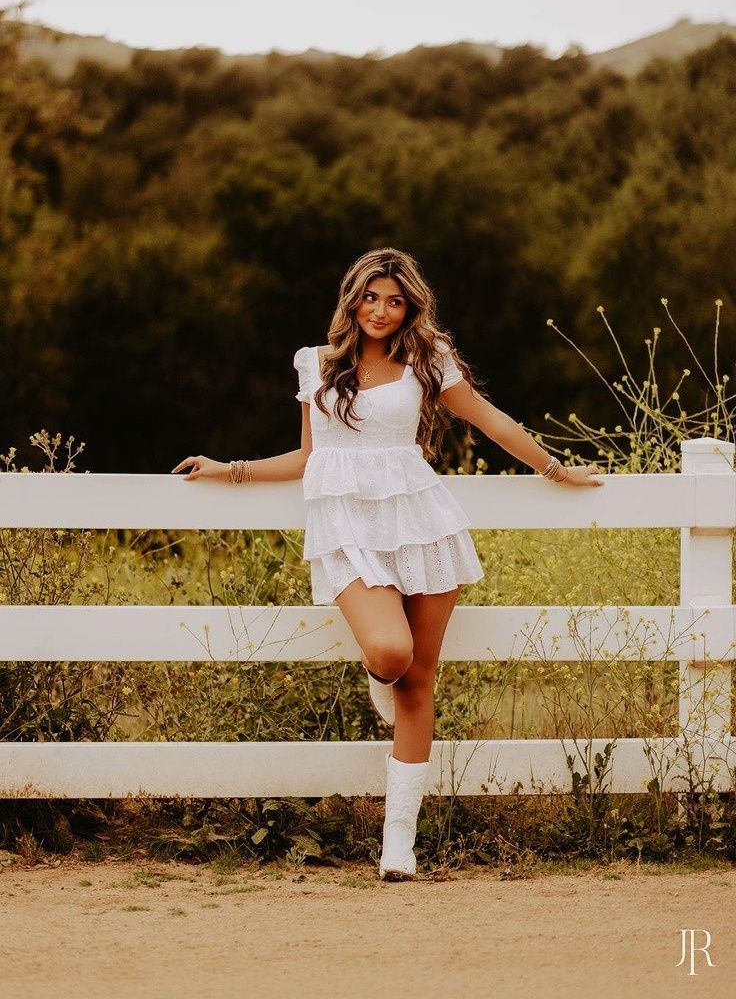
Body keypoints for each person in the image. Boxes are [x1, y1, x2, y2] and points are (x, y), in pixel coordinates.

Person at [171, 246, 604, 881]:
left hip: (421, 521)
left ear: (410, 307)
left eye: (395, 300)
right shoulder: (315, 364)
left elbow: (488, 420)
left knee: (418, 683)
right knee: (390, 656)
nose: (381, 310)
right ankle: (382, 674)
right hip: (345, 527)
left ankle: (397, 842)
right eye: (371, 297)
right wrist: (229, 469)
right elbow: (308, 459)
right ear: (352, 299)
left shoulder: (428, 359)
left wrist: (554, 468)